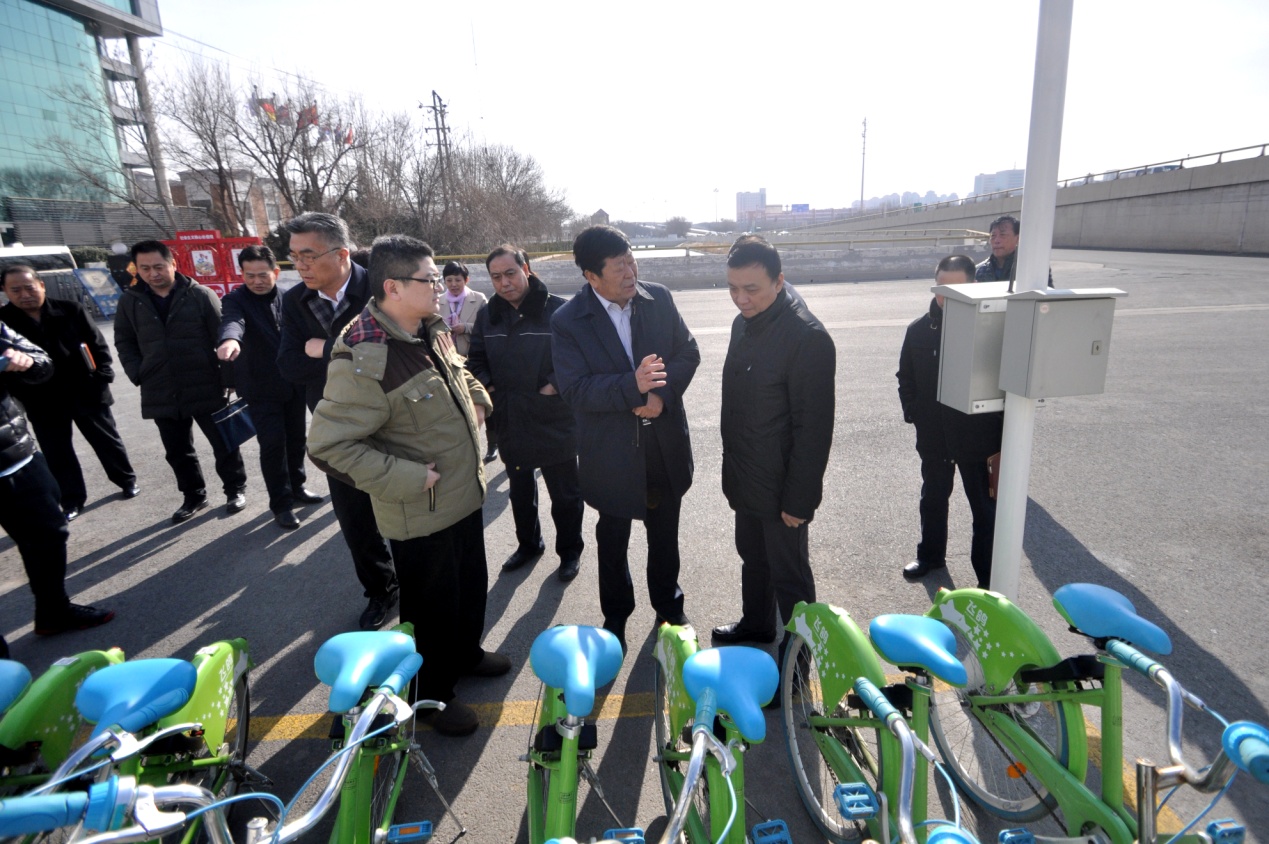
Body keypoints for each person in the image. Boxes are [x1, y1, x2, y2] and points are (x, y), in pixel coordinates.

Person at [307, 234, 506, 737]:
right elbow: (329, 446)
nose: (441, 286)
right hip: (421, 507)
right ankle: (431, 696)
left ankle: (465, 654)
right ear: (393, 287)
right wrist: (412, 478)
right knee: (431, 608)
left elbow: (457, 374)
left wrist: (478, 397)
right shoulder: (366, 354)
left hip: (461, 495)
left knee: (468, 587)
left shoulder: (427, 328)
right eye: (430, 279)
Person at [551, 225, 700, 652]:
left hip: (663, 445)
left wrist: (660, 396)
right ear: (591, 276)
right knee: (612, 537)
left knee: (664, 533)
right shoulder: (568, 321)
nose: (631, 272)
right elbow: (575, 389)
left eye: (631, 261)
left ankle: (668, 606)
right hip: (610, 453)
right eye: (618, 267)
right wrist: (632, 387)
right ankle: (615, 615)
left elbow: (687, 352)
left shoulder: (658, 298)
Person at [711, 236, 836, 648]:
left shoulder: (806, 337)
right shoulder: (744, 324)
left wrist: (799, 499)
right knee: (753, 558)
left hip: (782, 485)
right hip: (746, 473)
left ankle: (799, 657)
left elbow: (814, 430)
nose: (740, 299)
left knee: (790, 576)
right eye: (732, 288)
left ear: (779, 281)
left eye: (751, 289)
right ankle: (757, 623)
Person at [276, 212, 399, 630]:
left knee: (408, 509)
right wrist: (351, 351)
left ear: (342, 254)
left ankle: (421, 589)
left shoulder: (382, 286)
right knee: (355, 519)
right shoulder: (295, 301)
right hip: (337, 429)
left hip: (397, 422)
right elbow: (289, 365)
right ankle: (381, 590)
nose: (300, 265)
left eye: (308, 255)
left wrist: (325, 347)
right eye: (294, 256)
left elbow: (397, 354)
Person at [467, 245, 584, 582]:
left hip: (553, 418)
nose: (504, 283)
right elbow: (475, 359)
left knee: (565, 494)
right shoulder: (489, 315)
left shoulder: (559, 311)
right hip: (509, 416)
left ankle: (570, 551)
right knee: (519, 491)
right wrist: (489, 387)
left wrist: (553, 386)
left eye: (510, 273)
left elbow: (578, 359)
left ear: (526, 269)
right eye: (496, 277)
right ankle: (529, 544)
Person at [114, 241, 247, 524]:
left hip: (204, 382)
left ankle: (235, 489)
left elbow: (223, 336)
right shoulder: (130, 301)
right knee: (177, 450)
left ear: (173, 264)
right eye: (145, 269)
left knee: (224, 442)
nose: (153, 274)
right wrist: (138, 372)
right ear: (136, 269)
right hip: (160, 387)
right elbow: (124, 341)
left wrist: (229, 379)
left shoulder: (200, 295)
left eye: (159, 267)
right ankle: (194, 496)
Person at [0, 319, 113, 634]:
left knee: (48, 533)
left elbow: (42, 362)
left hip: (14, 454)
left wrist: (27, 361)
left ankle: (53, 610)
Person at [0, 265, 138, 519]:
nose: (25, 295)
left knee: (107, 442)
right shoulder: (4, 323)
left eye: (29, 288)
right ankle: (72, 500)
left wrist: (102, 376)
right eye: (16, 290)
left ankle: (126, 480)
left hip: (86, 389)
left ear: (41, 285)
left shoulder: (70, 309)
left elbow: (98, 344)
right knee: (57, 452)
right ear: (5, 291)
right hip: (41, 399)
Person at [898, 254, 1002, 588]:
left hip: (978, 438)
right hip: (935, 435)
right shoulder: (918, 330)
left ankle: (987, 580)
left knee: (984, 511)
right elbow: (905, 377)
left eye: (956, 288)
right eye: (941, 287)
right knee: (932, 498)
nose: (947, 296)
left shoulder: (992, 328)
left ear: (974, 285)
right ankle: (930, 556)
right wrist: (914, 412)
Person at [217, 246, 324, 531]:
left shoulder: (290, 298)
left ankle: (298, 487)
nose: (257, 281)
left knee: (297, 439)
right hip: (259, 386)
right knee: (273, 444)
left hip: (293, 382)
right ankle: (281, 504)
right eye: (249, 275)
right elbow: (232, 323)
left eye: (262, 274)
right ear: (242, 274)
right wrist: (230, 340)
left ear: (275, 272)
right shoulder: (235, 300)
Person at [975, 214, 1053, 287]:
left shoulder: (1033, 268)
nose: (996, 240)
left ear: (1018, 238)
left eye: (1003, 235)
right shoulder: (980, 270)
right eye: (993, 236)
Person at [441, 261, 486, 357]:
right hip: (446, 357)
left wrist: (466, 328)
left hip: (473, 356)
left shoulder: (479, 299)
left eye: (458, 280)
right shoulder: (437, 302)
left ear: (466, 280)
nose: (453, 284)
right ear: (444, 281)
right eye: (449, 280)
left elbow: (487, 326)